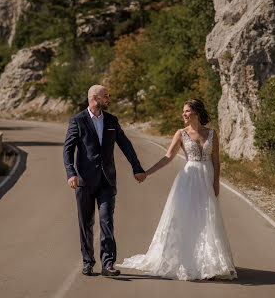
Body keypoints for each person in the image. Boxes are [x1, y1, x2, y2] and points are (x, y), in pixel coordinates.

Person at [117, 99, 238, 281]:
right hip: (188, 180)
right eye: (184, 111)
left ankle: (208, 262)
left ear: (196, 112)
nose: (184, 114)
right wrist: (147, 173)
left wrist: (216, 183)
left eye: (187, 111)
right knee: (187, 218)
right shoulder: (181, 134)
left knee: (207, 218)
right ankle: (187, 260)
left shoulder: (212, 133)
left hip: (206, 178)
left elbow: (216, 160)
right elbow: (168, 157)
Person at [63, 85, 146, 277]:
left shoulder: (111, 120)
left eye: (108, 96)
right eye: (105, 96)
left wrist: (137, 168)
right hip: (84, 180)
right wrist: (71, 173)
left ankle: (108, 264)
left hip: (107, 181)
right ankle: (88, 262)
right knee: (86, 223)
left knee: (106, 220)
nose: (108, 99)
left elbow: (125, 144)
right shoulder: (77, 120)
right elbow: (68, 149)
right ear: (94, 97)